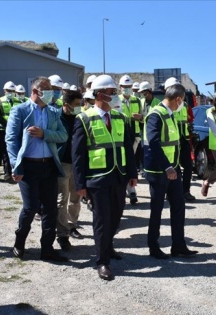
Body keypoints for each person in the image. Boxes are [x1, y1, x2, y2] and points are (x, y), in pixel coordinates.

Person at [72, 75, 138, 280]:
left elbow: (128, 146)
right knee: (101, 219)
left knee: (116, 215)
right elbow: (78, 154)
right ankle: (102, 262)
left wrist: (132, 173)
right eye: (112, 92)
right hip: (97, 178)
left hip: (118, 176)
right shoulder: (83, 118)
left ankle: (108, 248)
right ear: (99, 94)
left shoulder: (120, 117)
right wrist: (80, 184)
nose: (116, 96)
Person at [5, 76, 69, 262]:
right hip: (29, 166)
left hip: (48, 165)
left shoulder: (53, 112)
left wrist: (45, 134)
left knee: (50, 208)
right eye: (47, 89)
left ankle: (47, 248)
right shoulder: (20, 110)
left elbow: (63, 136)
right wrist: (16, 165)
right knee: (31, 207)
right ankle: (19, 242)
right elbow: (11, 140)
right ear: (35, 91)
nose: (52, 93)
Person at [143, 83, 198, 259]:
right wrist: (167, 166)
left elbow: (174, 142)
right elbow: (153, 143)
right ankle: (154, 246)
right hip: (159, 170)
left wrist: (176, 165)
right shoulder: (155, 115)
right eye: (183, 102)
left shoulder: (170, 115)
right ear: (178, 99)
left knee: (178, 207)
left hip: (173, 169)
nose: (183, 105)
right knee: (157, 209)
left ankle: (179, 246)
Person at [56, 90, 84, 251]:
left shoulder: (80, 118)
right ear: (66, 105)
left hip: (78, 164)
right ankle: (62, 234)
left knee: (76, 197)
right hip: (62, 164)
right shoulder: (56, 118)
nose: (80, 107)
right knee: (61, 200)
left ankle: (72, 225)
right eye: (76, 105)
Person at [164, 77, 196, 201]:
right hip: (170, 141)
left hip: (183, 139)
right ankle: (169, 191)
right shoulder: (163, 106)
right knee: (171, 166)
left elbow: (189, 119)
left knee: (188, 166)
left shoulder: (185, 104)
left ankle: (185, 191)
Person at [118, 75, 143, 205]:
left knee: (131, 162)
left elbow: (143, 117)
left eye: (129, 87)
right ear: (120, 87)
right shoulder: (116, 100)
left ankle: (131, 189)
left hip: (134, 135)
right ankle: (128, 190)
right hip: (121, 135)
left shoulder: (137, 100)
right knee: (124, 162)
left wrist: (140, 117)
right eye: (124, 87)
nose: (127, 89)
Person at [0, 81, 19, 181]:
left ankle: (17, 171)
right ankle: (8, 173)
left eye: (13, 91)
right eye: (9, 90)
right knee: (6, 152)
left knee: (17, 151)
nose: (11, 92)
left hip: (17, 130)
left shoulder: (19, 101)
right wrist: (9, 125)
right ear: (4, 91)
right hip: (3, 130)